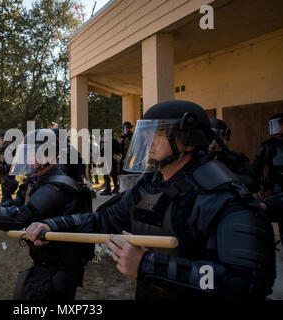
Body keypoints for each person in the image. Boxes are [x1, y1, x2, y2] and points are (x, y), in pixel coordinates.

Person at [26, 100, 276, 300]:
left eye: (158, 135)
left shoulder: (224, 199)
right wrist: (53, 226)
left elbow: (247, 281)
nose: (147, 143)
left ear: (188, 142)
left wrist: (148, 265)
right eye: (146, 134)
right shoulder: (151, 184)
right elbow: (101, 220)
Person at [0, 129, 94, 300]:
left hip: (61, 267)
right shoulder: (37, 178)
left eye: (30, 152)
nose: (25, 157)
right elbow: (14, 203)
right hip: (45, 262)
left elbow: (20, 216)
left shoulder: (56, 186)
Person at [202, 118, 259, 193]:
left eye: (215, 136)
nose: (211, 141)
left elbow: (252, 183)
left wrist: (222, 177)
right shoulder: (196, 157)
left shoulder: (236, 158)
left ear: (225, 137)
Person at [252, 113, 283, 247]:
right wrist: (255, 186)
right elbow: (256, 168)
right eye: (275, 126)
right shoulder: (268, 146)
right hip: (276, 188)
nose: (278, 130)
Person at [0, 131, 18, 202]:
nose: (1, 141)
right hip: (4, 177)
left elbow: (10, 165)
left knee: (6, 198)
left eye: (2, 139)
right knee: (5, 196)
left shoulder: (10, 150)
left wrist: (0, 168)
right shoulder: (5, 150)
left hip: (8, 178)